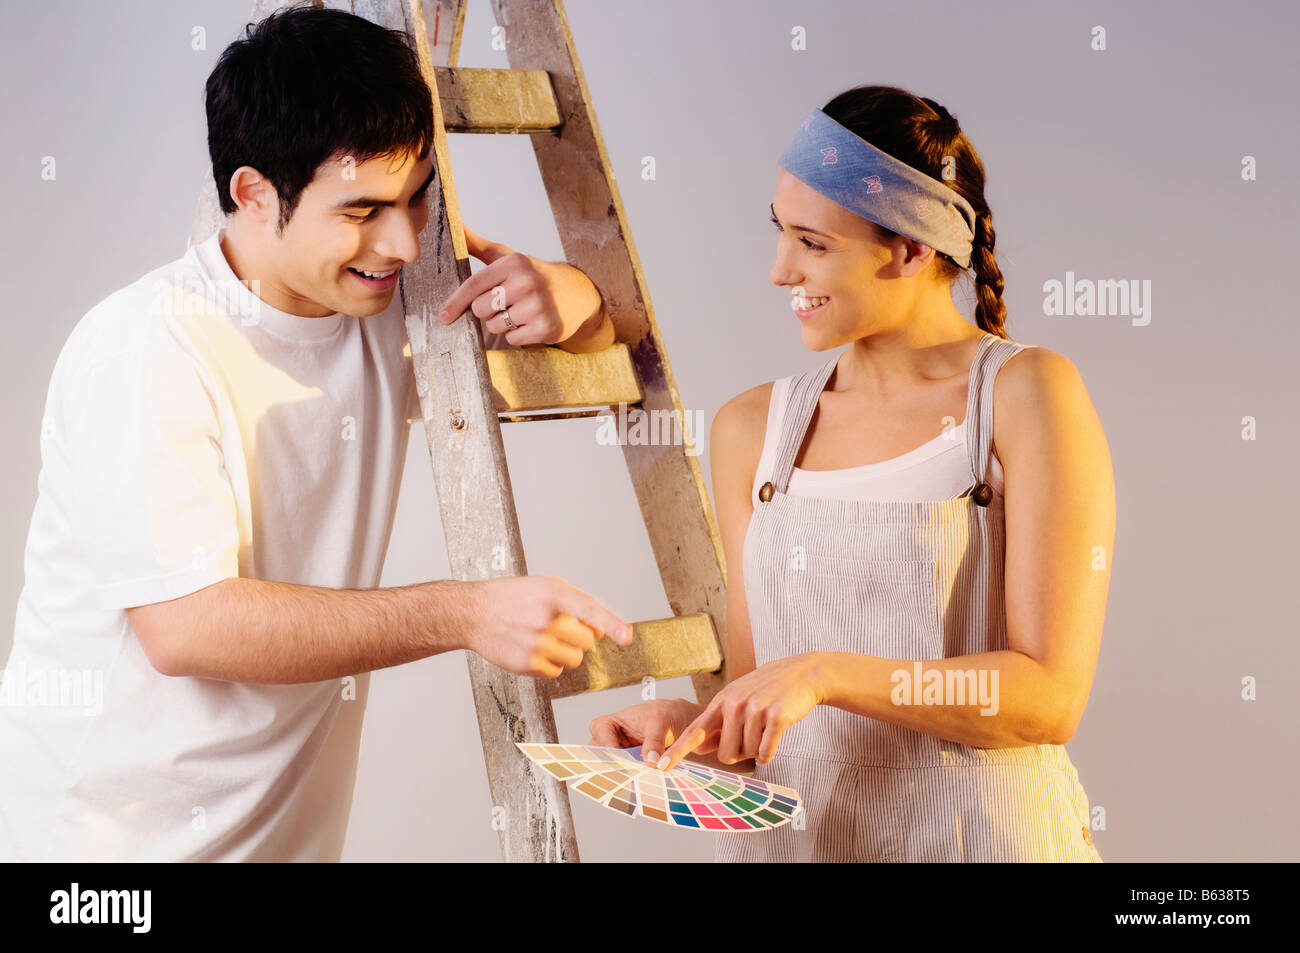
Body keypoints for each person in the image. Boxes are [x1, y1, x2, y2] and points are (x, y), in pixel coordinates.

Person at [0, 4, 630, 862]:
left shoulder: (386, 311)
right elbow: (189, 626)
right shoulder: (146, 345)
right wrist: (466, 611)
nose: (405, 241)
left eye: (416, 199)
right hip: (95, 858)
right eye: (362, 209)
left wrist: (572, 296)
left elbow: (599, 343)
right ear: (254, 195)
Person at [591, 85, 1114, 862]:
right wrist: (695, 732)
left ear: (911, 247)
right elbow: (759, 693)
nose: (779, 270)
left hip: (981, 838)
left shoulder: (1025, 394)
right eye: (780, 233)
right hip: (804, 840)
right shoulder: (751, 430)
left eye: (813, 241)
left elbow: (1049, 697)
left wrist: (830, 671)